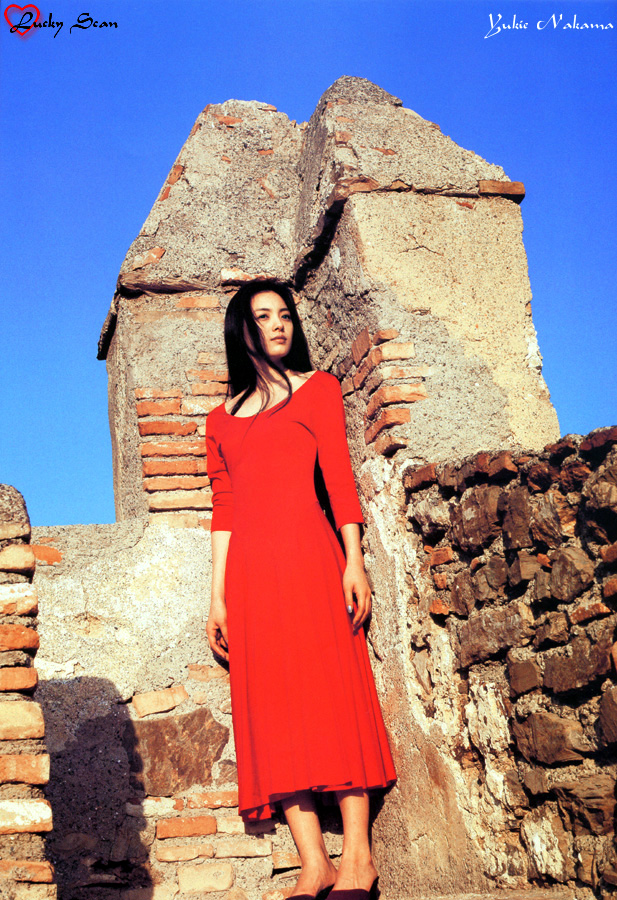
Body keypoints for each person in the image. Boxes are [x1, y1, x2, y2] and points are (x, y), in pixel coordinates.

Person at [205, 279, 396, 900]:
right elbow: (224, 510)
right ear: (243, 329)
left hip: (313, 561)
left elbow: (338, 477)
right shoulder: (220, 421)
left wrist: (354, 560)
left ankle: (358, 858)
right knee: (273, 711)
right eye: (263, 316)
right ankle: (314, 864)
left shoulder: (319, 389)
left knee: (332, 694)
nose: (279, 324)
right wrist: (217, 598)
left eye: (285, 314)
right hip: (250, 579)